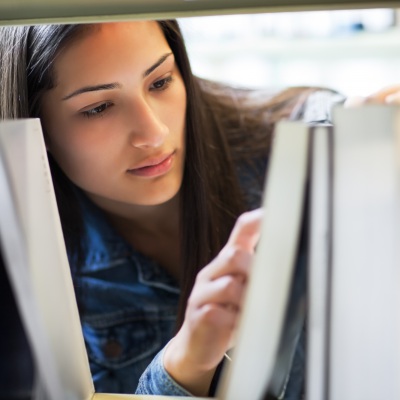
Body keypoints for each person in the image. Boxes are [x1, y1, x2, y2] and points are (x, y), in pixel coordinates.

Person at [0, 19, 397, 399]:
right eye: (99, 107)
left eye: (160, 81)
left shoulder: (273, 146)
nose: (154, 133)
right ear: (35, 123)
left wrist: (365, 121)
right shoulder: (35, 263)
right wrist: (186, 362)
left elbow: (321, 114)